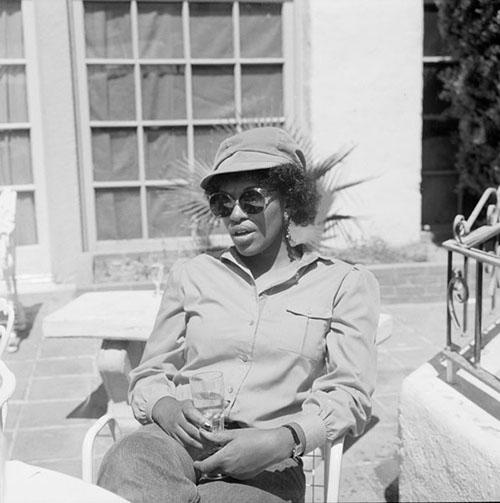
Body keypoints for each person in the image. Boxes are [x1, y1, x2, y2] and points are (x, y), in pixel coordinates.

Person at [97, 127, 380, 503]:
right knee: (128, 460)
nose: (236, 214)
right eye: (222, 202)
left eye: (252, 199)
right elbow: (150, 372)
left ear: (289, 200)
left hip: (266, 462)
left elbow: (351, 394)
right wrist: (165, 407)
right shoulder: (192, 274)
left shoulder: (343, 283)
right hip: (174, 441)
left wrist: (283, 439)